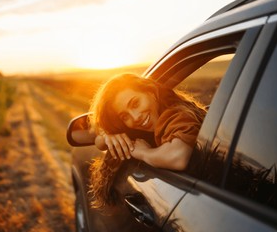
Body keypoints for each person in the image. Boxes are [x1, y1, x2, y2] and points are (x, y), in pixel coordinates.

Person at [88, 73, 206, 208]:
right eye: (125, 116)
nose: (135, 117)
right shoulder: (153, 121)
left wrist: (144, 152)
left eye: (135, 103)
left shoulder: (177, 115)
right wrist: (107, 135)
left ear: (150, 90)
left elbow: (178, 157)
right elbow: (98, 141)